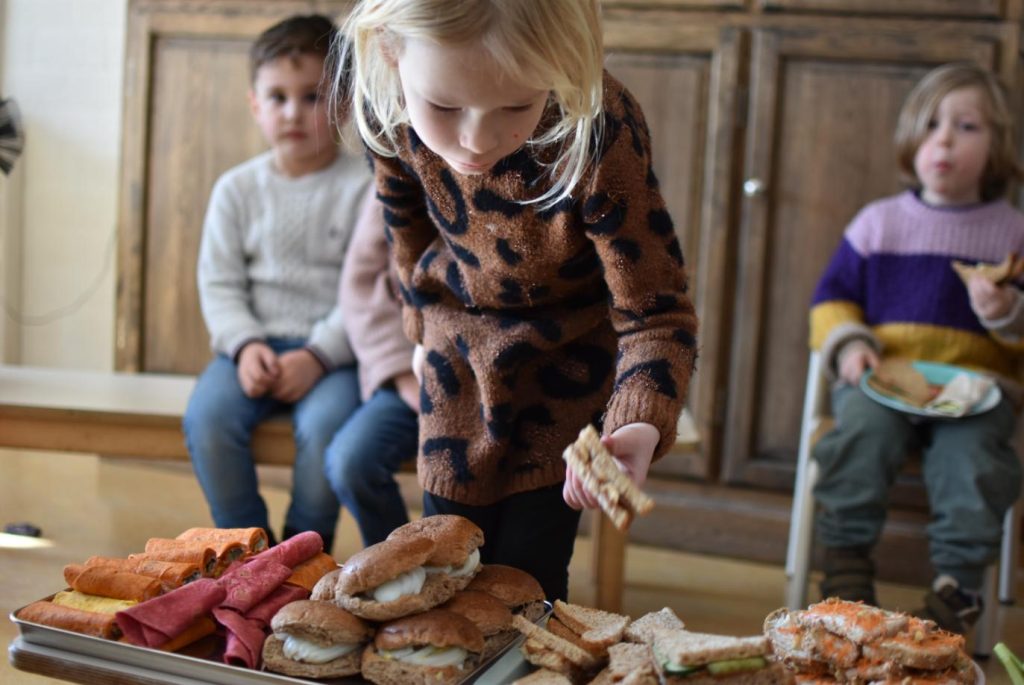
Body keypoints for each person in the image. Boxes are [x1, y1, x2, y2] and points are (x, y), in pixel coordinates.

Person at [333, 0, 698, 601]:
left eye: (516, 106)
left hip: (567, 369)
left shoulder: (600, 128)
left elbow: (656, 310)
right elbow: (408, 240)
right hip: (455, 372)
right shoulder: (390, 107)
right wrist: (421, 330)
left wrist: (636, 423)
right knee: (444, 572)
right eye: (445, 107)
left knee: (526, 587)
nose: (476, 141)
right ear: (390, 55)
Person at [809, 62, 1024, 634]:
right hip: (885, 379)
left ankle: (959, 588)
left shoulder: (1013, 234)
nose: (944, 139)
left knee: (974, 461)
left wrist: (1008, 314)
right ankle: (846, 569)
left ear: (998, 143)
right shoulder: (879, 224)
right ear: (910, 139)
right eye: (930, 124)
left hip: (977, 392)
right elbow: (831, 299)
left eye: (967, 126)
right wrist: (850, 345)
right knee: (859, 434)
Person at [183, 14, 371, 554]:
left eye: (312, 96)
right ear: (255, 105)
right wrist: (244, 345)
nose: (293, 112)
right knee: (209, 418)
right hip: (251, 348)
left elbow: (367, 291)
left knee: (325, 431)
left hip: (332, 356)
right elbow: (219, 284)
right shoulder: (236, 189)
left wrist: (317, 354)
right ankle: (248, 549)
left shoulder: (364, 187)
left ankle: (303, 551)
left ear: (341, 103)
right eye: (278, 97)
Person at [324, 196, 419, 547]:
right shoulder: (393, 178)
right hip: (406, 377)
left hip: (490, 385)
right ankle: (397, 567)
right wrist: (401, 373)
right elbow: (359, 286)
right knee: (352, 461)